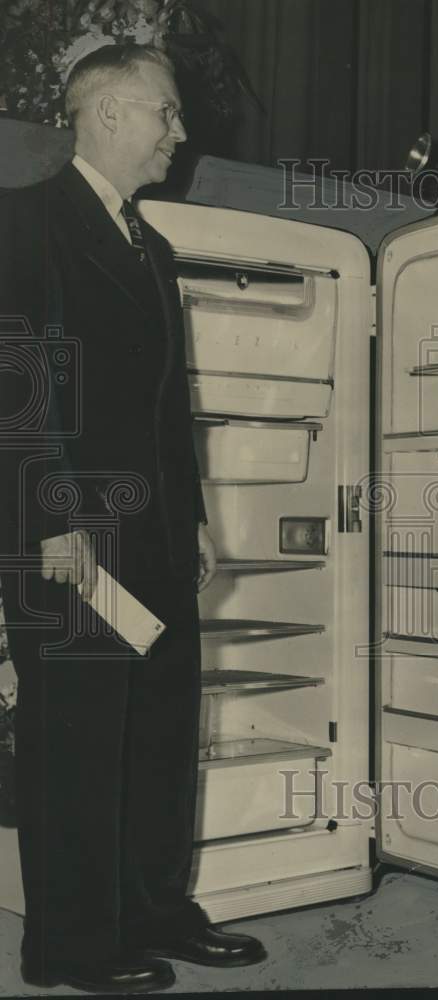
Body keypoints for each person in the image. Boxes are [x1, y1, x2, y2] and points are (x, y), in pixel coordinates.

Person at [0, 43, 266, 993]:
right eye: (166, 113)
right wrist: (51, 521)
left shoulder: (148, 244)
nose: (180, 133)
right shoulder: (25, 222)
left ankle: (154, 908)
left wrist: (190, 520)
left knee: (156, 730)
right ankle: (69, 945)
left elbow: (167, 403)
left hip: (152, 537)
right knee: (76, 743)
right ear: (109, 113)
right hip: (69, 536)